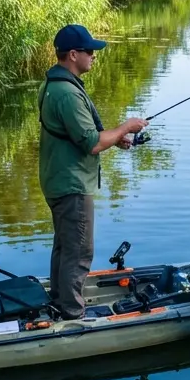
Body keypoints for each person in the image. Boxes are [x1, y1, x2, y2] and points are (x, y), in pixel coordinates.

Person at [38, 24, 148, 320]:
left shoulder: (53, 85)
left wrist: (115, 139)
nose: (94, 56)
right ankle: (73, 315)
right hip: (72, 184)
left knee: (64, 246)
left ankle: (59, 300)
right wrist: (125, 127)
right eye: (90, 51)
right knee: (78, 251)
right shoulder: (68, 94)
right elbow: (91, 143)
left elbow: (80, 135)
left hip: (56, 179)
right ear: (73, 55)